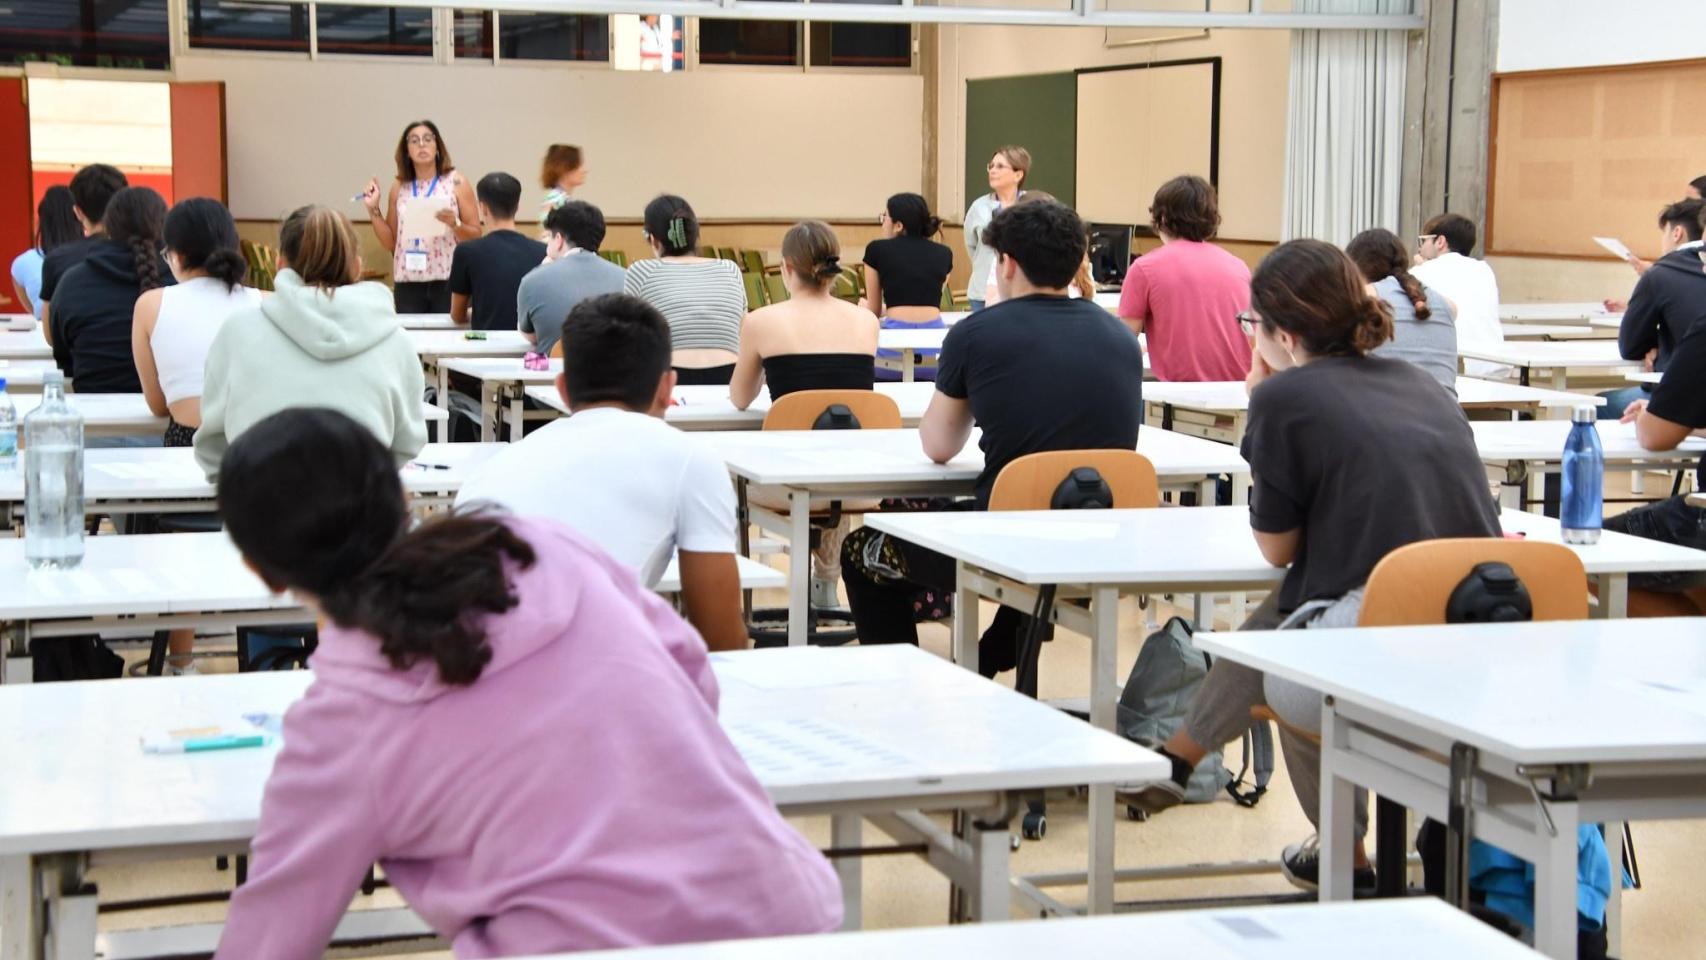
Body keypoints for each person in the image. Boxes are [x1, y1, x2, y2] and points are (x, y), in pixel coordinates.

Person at [211, 407, 841, 959]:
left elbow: (272, 935)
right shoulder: (540, 548)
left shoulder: (342, 724)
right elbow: (693, 675)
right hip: (780, 912)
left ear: (261, 571)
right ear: (401, 497)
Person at [1119, 239, 1502, 896]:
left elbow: (1276, 548)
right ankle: (1184, 759)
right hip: (1488, 639)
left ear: (1284, 334)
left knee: (1294, 656)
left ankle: (1340, 852)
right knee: (1294, 607)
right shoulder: (1420, 382)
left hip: (1386, 650)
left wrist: (1262, 393)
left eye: (1251, 324)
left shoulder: (1286, 398)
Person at [839, 198, 1142, 669]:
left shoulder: (977, 334)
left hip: (1003, 541)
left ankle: (903, 679)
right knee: (1041, 538)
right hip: (1102, 541)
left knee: (862, 551)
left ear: (1008, 263)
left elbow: (939, 446)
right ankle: (989, 658)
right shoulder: (1122, 339)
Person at [456, 293, 747, 652]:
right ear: (667, 388)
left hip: (468, 666)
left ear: (562, 389)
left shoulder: (492, 469)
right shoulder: (692, 459)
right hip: (581, 667)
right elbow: (721, 640)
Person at [195, 205, 426, 479]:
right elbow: (408, 444)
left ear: (279, 264)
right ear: (357, 266)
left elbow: (211, 447)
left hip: (258, 501)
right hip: (360, 501)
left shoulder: (236, 333)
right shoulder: (395, 341)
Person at [731, 221, 879, 609]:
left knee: (725, 475)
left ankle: (730, 589)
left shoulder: (761, 321)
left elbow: (740, 397)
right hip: (856, 485)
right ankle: (826, 584)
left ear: (786, 267)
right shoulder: (866, 321)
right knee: (834, 459)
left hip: (784, 479)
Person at [133, 198, 259, 446]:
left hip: (186, 444)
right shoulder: (266, 302)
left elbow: (159, 406)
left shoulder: (150, 305)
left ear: (177, 256)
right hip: (257, 445)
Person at [1117, 175, 1251, 382]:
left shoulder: (1145, 268)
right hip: (1240, 391)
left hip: (1180, 392)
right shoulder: (1239, 266)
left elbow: (1122, 345)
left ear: (1161, 218)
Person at [49, 186, 173, 397]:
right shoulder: (179, 284)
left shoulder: (71, 283)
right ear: (164, 226)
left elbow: (65, 359)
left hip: (91, 409)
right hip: (169, 412)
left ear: (108, 227)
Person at [1597, 199, 1706, 418]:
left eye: (1664, 233)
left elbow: (1630, 347)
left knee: (1599, 405)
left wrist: (1659, 344)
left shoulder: (1661, 273)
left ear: (1676, 233)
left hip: (1683, 401)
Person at [624, 194, 746, 385]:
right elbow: (742, 329)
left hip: (668, 377)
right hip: (730, 375)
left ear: (653, 239)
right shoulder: (729, 269)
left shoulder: (642, 271)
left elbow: (631, 337)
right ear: (694, 235)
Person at [361, 120, 479, 314]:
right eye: (414, 141)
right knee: (410, 332)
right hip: (408, 280)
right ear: (407, 151)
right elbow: (390, 242)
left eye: (428, 139)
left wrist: (455, 224)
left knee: (449, 331)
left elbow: (476, 235)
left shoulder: (456, 182)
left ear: (437, 147)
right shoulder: (399, 186)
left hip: (448, 278)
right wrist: (373, 209)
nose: (422, 145)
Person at [1346, 228, 1458, 393]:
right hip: (1446, 407)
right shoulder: (1447, 305)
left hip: (1385, 406)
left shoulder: (1361, 298)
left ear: (1354, 267)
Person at [860, 194, 953, 382]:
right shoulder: (945, 253)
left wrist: (864, 308)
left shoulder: (876, 250)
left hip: (890, 357)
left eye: (885, 217)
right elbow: (926, 300)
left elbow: (874, 311)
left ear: (898, 225)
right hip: (935, 355)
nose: (882, 222)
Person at [517, 200, 626, 357]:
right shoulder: (626, 277)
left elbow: (531, 336)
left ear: (558, 240)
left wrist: (543, 269)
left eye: (549, 237)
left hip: (555, 371)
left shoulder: (533, 280)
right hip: (614, 369)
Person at [448, 173, 546, 331]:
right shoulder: (542, 251)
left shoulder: (466, 251)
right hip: (529, 343)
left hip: (484, 343)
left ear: (483, 207)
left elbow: (457, 315)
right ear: (517, 206)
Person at [38, 163, 128, 337]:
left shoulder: (58, 260)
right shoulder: (148, 255)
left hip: (80, 354)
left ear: (78, 212)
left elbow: (51, 336)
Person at [1411, 212, 1504, 377]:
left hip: (1450, 369)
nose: (1420, 248)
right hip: (1493, 364)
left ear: (1440, 241)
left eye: (1423, 240)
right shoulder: (1484, 270)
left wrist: (1420, 268)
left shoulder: (1421, 272)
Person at [962, 146, 1029, 311]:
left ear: (1018, 174)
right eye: (991, 166)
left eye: (1000, 166)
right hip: (982, 293)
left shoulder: (1031, 204)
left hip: (1024, 291)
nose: (992, 171)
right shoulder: (978, 207)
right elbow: (972, 246)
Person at [10, 186, 81, 320]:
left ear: (41, 221)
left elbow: (37, 313)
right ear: (80, 218)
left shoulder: (22, 263)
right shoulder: (95, 257)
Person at [539, 143, 587, 215]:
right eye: (579, 165)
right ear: (564, 168)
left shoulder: (561, 199)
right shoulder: (556, 201)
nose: (584, 170)